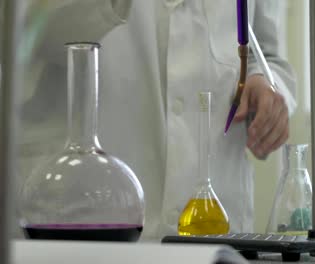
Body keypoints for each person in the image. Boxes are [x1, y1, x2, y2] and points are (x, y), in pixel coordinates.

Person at [14, 0, 297, 239]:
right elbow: (28, 28)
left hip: (214, 212)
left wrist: (263, 83)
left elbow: (266, 53)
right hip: (83, 209)